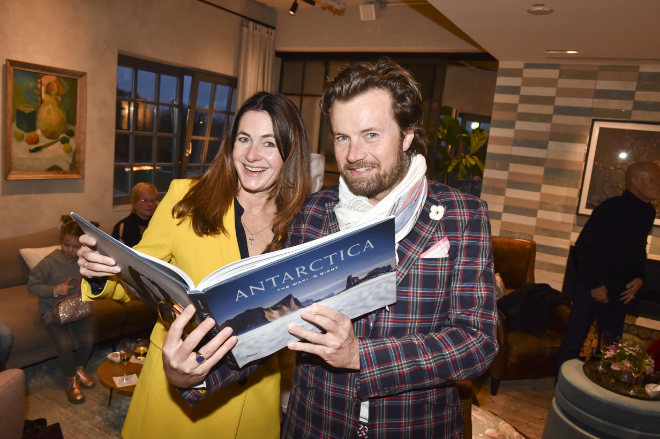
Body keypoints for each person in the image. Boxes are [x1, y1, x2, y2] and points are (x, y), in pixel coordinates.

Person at [163, 60, 499, 438]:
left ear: (407, 135)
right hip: (314, 424)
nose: (354, 154)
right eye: (342, 137)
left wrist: (362, 357)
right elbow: (273, 330)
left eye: (371, 135)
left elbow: (477, 342)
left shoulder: (462, 216)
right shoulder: (312, 215)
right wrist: (193, 373)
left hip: (414, 427)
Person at [77, 92, 311, 438]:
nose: (251, 156)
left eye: (269, 144)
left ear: (290, 153)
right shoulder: (186, 198)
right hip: (175, 391)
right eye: (243, 139)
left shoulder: (303, 224)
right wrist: (102, 273)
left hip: (252, 398)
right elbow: (137, 275)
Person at [557, 161, 660, 366]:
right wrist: (595, 285)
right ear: (635, 181)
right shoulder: (611, 208)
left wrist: (640, 277)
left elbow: (638, 248)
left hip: (621, 291)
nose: (658, 184)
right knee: (573, 343)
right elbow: (583, 248)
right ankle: (563, 392)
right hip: (591, 287)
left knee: (609, 349)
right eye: (654, 180)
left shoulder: (648, 212)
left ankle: (596, 393)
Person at [27, 215, 96, 403]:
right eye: (67, 245)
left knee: (88, 339)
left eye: (76, 247)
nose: (71, 251)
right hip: (53, 312)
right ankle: (71, 382)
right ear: (61, 242)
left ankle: (79, 368)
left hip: (78, 309)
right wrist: (54, 290)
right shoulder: (49, 262)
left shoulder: (82, 260)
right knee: (65, 344)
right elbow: (32, 286)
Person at [112, 182, 158, 247]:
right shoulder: (122, 227)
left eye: (153, 200)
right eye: (144, 200)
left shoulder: (159, 225)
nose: (150, 204)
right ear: (134, 202)